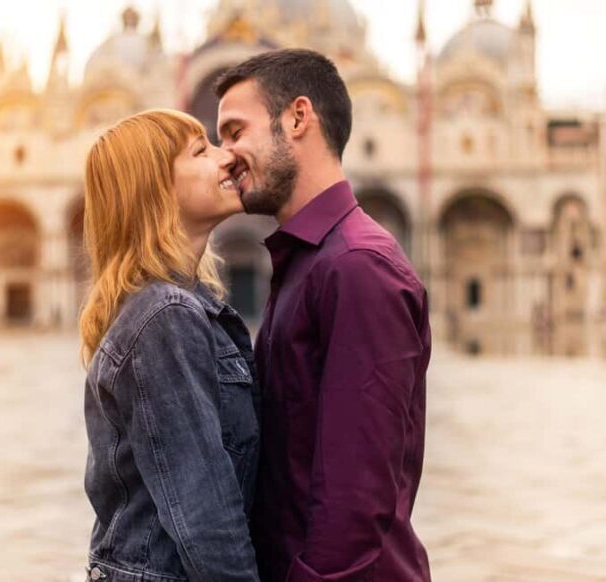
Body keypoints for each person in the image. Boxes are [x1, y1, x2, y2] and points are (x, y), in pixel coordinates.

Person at [216, 49, 433, 581]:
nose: (225, 156)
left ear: (297, 118)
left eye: (235, 131)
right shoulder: (310, 262)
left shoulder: (356, 268)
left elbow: (353, 504)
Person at [80, 109, 260, 582]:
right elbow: (205, 516)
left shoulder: (180, 306)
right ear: (156, 190)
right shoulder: (165, 317)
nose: (228, 158)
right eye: (202, 151)